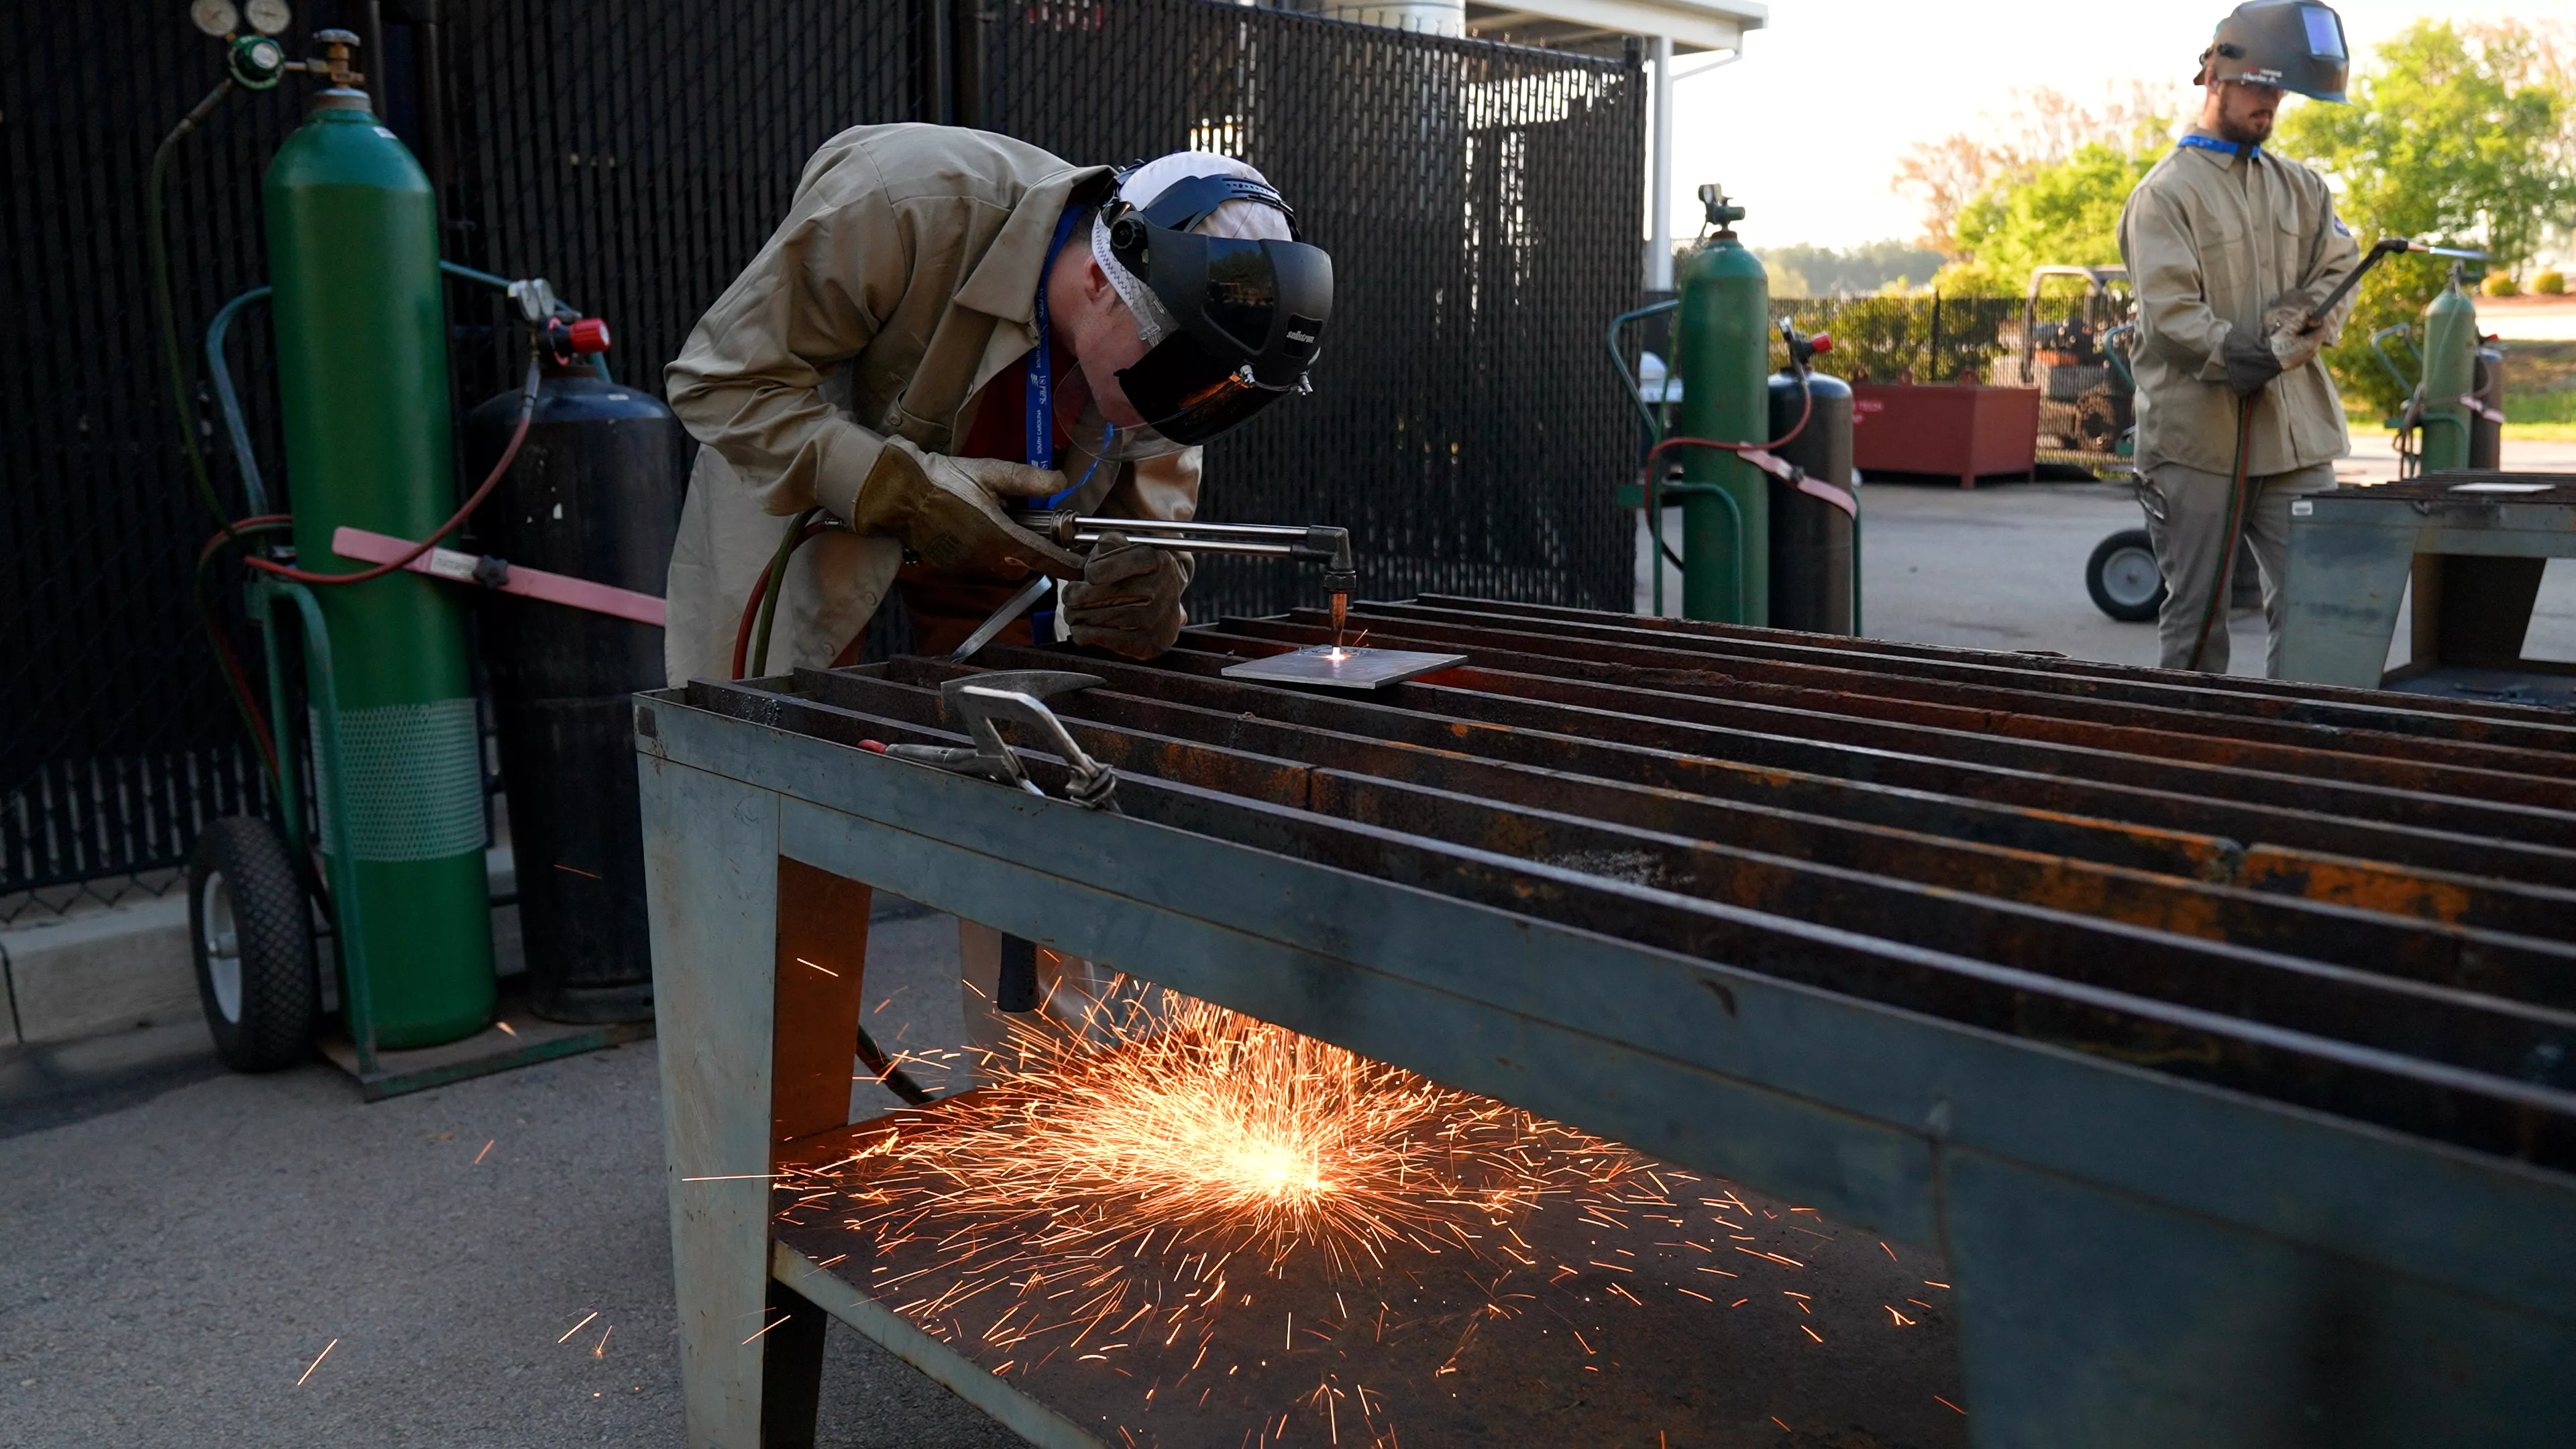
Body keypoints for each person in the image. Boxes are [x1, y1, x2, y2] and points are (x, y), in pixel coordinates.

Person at [661, 125, 1334, 1058]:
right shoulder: (902, 203)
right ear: (1102, 280)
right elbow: (718, 385)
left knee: (1040, 776)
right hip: (799, 484)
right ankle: (755, 1161)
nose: (1175, 411)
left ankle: (1039, 1120)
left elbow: (1152, 525)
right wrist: (898, 487)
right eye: (1172, 377)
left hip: (1003, 538)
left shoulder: (1175, 336)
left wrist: (1145, 589)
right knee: (761, 799)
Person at [2118, 0, 2359, 674]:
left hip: (2295, 437)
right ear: (2216, 78)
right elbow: (2170, 318)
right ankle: (2190, 756)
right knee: (2198, 620)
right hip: (2199, 442)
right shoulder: (2165, 196)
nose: (2271, 104)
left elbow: (2341, 267)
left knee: (2321, 603)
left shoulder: (2303, 188)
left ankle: (2296, 745)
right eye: (2260, 86)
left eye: (2279, 91)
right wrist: (2253, 352)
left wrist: (2306, 318)